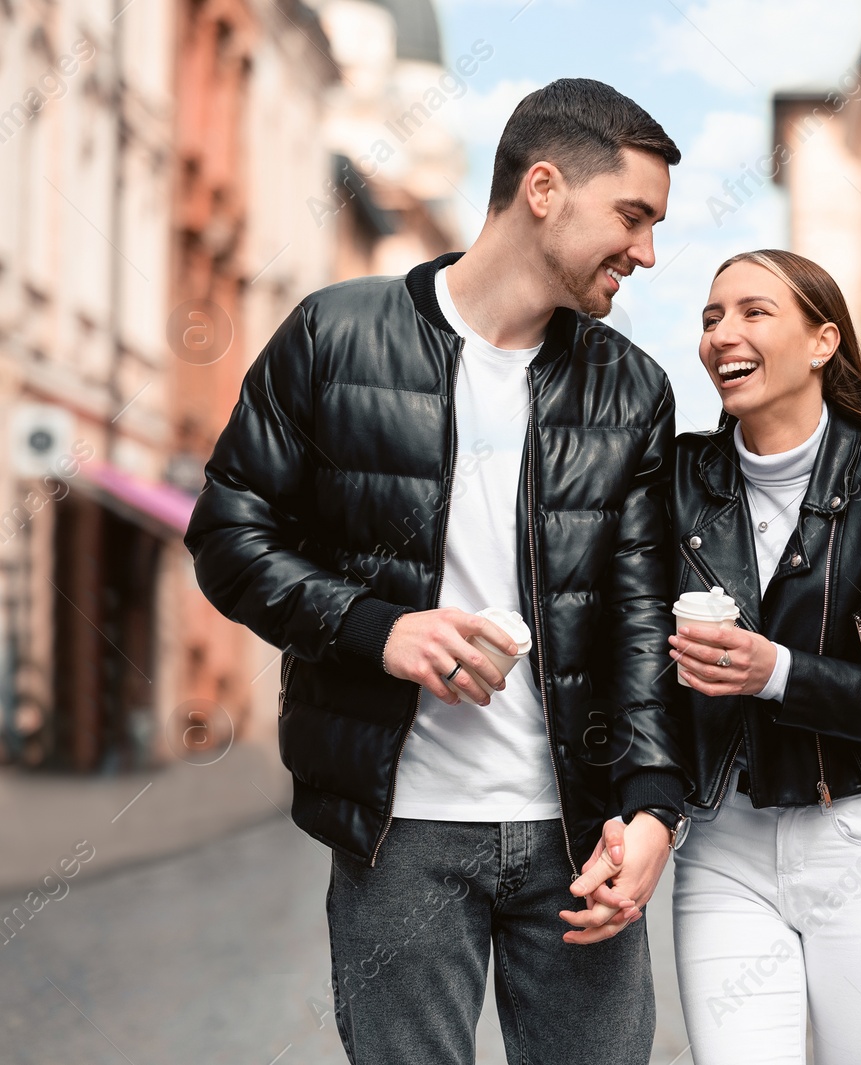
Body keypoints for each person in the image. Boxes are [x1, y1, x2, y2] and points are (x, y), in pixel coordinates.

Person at [183, 79, 692, 1065]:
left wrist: (654, 806)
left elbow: (641, 615)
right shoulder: (335, 337)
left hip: (578, 834)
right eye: (632, 216)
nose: (647, 252)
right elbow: (228, 535)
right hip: (399, 835)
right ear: (543, 188)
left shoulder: (632, 389)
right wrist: (376, 626)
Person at [665, 249, 861, 1063]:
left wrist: (779, 674)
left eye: (753, 311)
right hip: (723, 845)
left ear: (821, 341)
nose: (722, 333)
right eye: (710, 316)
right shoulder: (675, 482)